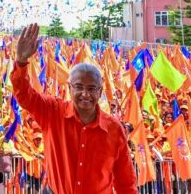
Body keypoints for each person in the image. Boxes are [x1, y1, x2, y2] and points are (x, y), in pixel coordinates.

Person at [12, 23, 137, 194]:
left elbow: (126, 184)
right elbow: (25, 96)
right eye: (79, 87)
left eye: (92, 88)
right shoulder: (52, 112)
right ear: (69, 87)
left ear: (100, 91)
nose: (85, 94)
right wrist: (21, 61)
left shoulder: (114, 129)